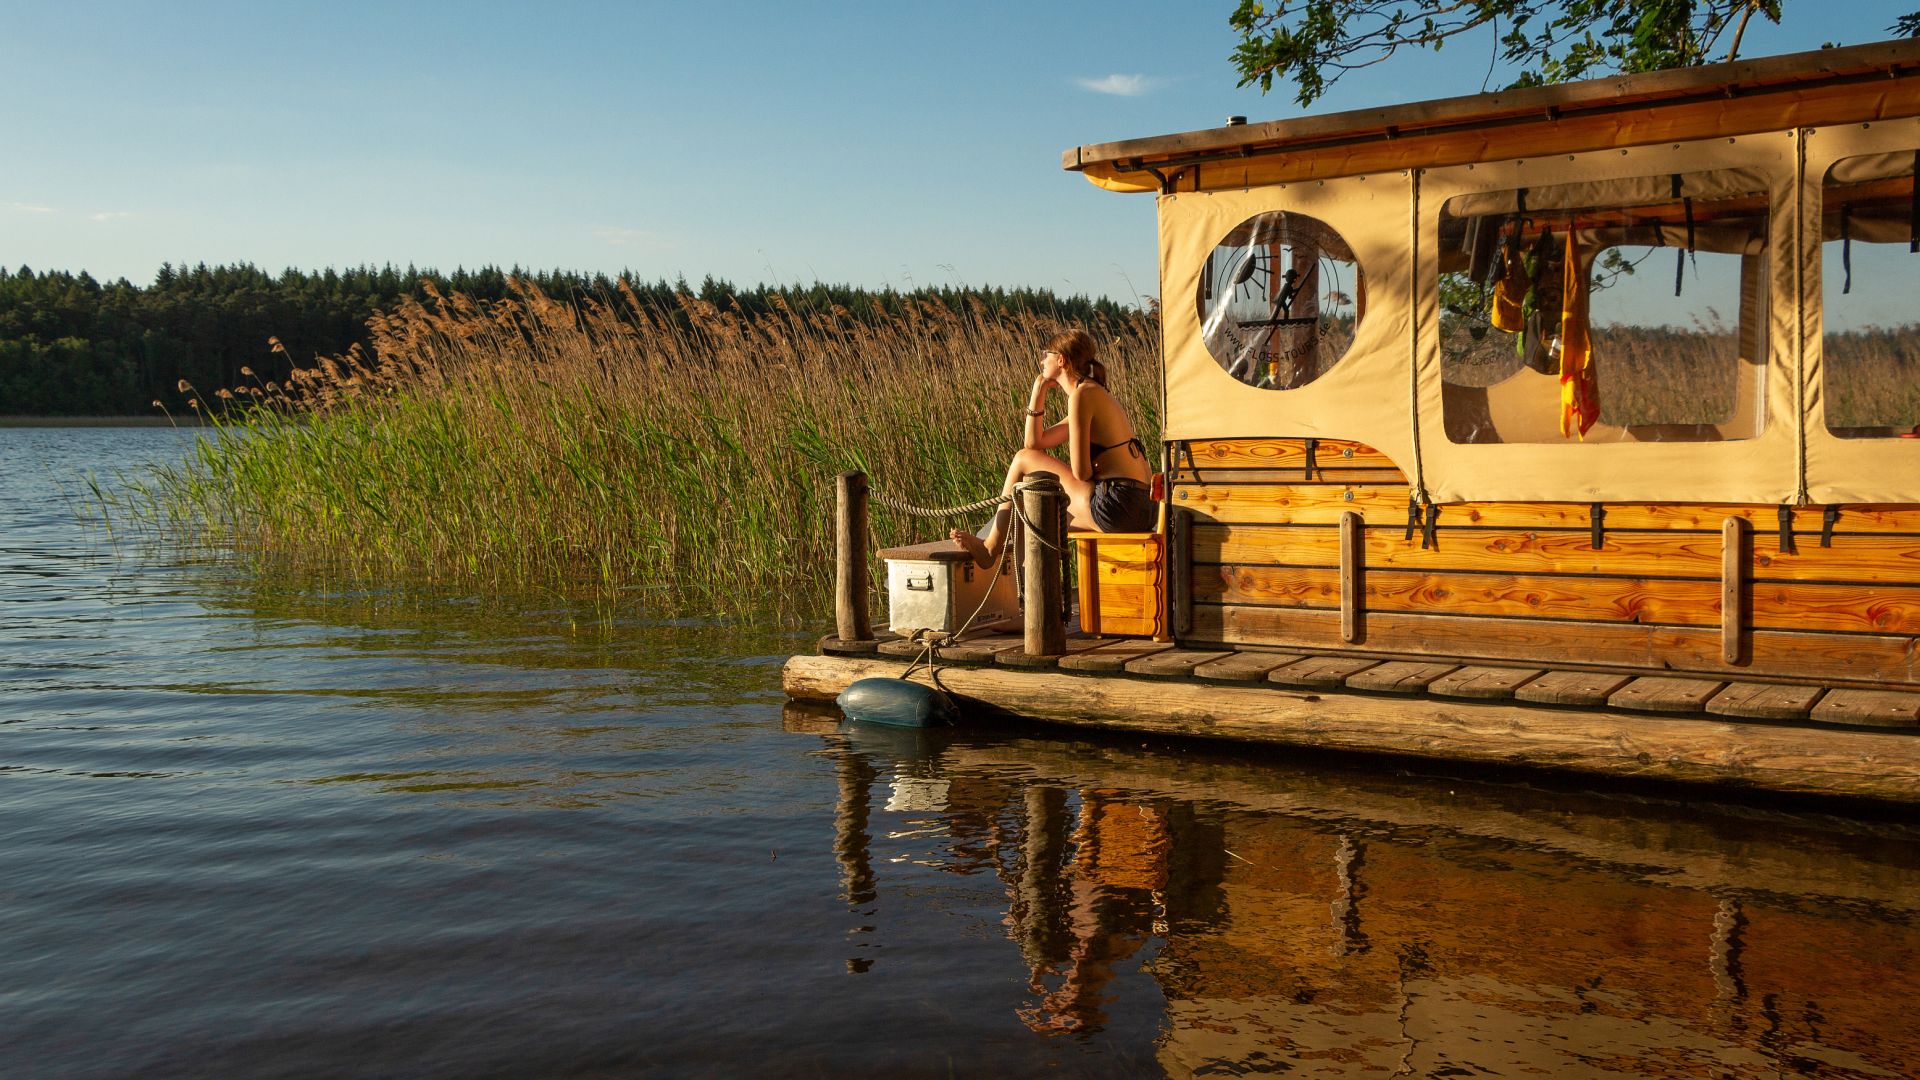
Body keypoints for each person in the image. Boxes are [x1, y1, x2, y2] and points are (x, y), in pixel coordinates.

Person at [951, 329, 1154, 567]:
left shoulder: (1081, 396)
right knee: (1034, 517)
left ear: (1061, 360)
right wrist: (1038, 391)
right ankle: (1026, 593)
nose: (1041, 360)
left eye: (1045, 354)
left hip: (1119, 505)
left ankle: (991, 546)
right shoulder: (1092, 392)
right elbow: (1035, 442)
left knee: (1022, 459)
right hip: (1142, 507)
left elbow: (1080, 473)